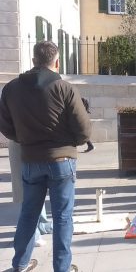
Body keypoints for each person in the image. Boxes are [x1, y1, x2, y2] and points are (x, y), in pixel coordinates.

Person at [0, 41, 90, 272]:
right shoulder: (64, 88)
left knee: (29, 213)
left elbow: (6, 127)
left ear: (33, 60)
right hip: (62, 160)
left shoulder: (10, 89)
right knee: (62, 217)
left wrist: (23, 139)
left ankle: (19, 264)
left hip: (30, 160)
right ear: (56, 62)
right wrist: (72, 141)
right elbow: (83, 131)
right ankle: (62, 267)